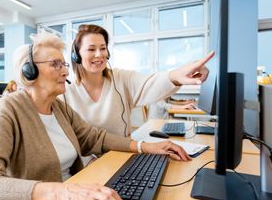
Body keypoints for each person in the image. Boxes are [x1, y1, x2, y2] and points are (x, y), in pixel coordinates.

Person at [0, 31, 191, 200]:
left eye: (64, 65)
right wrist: (61, 194)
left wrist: (145, 147)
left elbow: (95, 138)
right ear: (29, 71)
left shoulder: (59, 108)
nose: (65, 72)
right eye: (55, 64)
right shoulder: (8, 109)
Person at [65, 24, 214, 137]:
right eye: (91, 49)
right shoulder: (66, 89)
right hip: (85, 165)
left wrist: (177, 75)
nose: (99, 54)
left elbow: (152, 82)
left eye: (103, 48)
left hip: (122, 154)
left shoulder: (121, 79)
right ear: (76, 56)